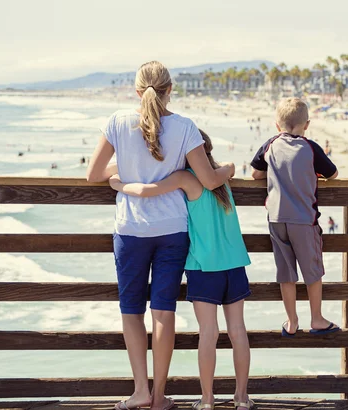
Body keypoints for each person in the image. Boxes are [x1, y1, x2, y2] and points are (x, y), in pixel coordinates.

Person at [86, 61, 234, 410]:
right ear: (170, 90)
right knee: (163, 312)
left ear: (137, 92)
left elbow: (93, 174)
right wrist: (229, 168)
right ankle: (158, 397)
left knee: (131, 310)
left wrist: (124, 169)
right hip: (172, 230)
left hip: (130, 230)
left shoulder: (118, 121)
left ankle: (140, 390)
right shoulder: (184, 126)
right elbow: (210, 181)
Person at [109, 130, 254, 410]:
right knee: (238, 331)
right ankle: (242, 397)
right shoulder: (222, 179)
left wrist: (118, 184)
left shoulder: (185, 178)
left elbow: (145, 191)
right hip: (235, 264)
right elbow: (231, 166)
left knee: (208, 333)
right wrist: (230, 167)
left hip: (204, 267)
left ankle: (208, 399)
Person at [250, 97, 340, 338]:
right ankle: (317, 318)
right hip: (303, 219)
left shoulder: (270, 145)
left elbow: (255, 174)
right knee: (312, 270)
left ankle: (291, 321)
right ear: (306, 125)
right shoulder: (311, 148)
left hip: (277, 218)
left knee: (286, 272)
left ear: (277, 125)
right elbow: (332, 174)